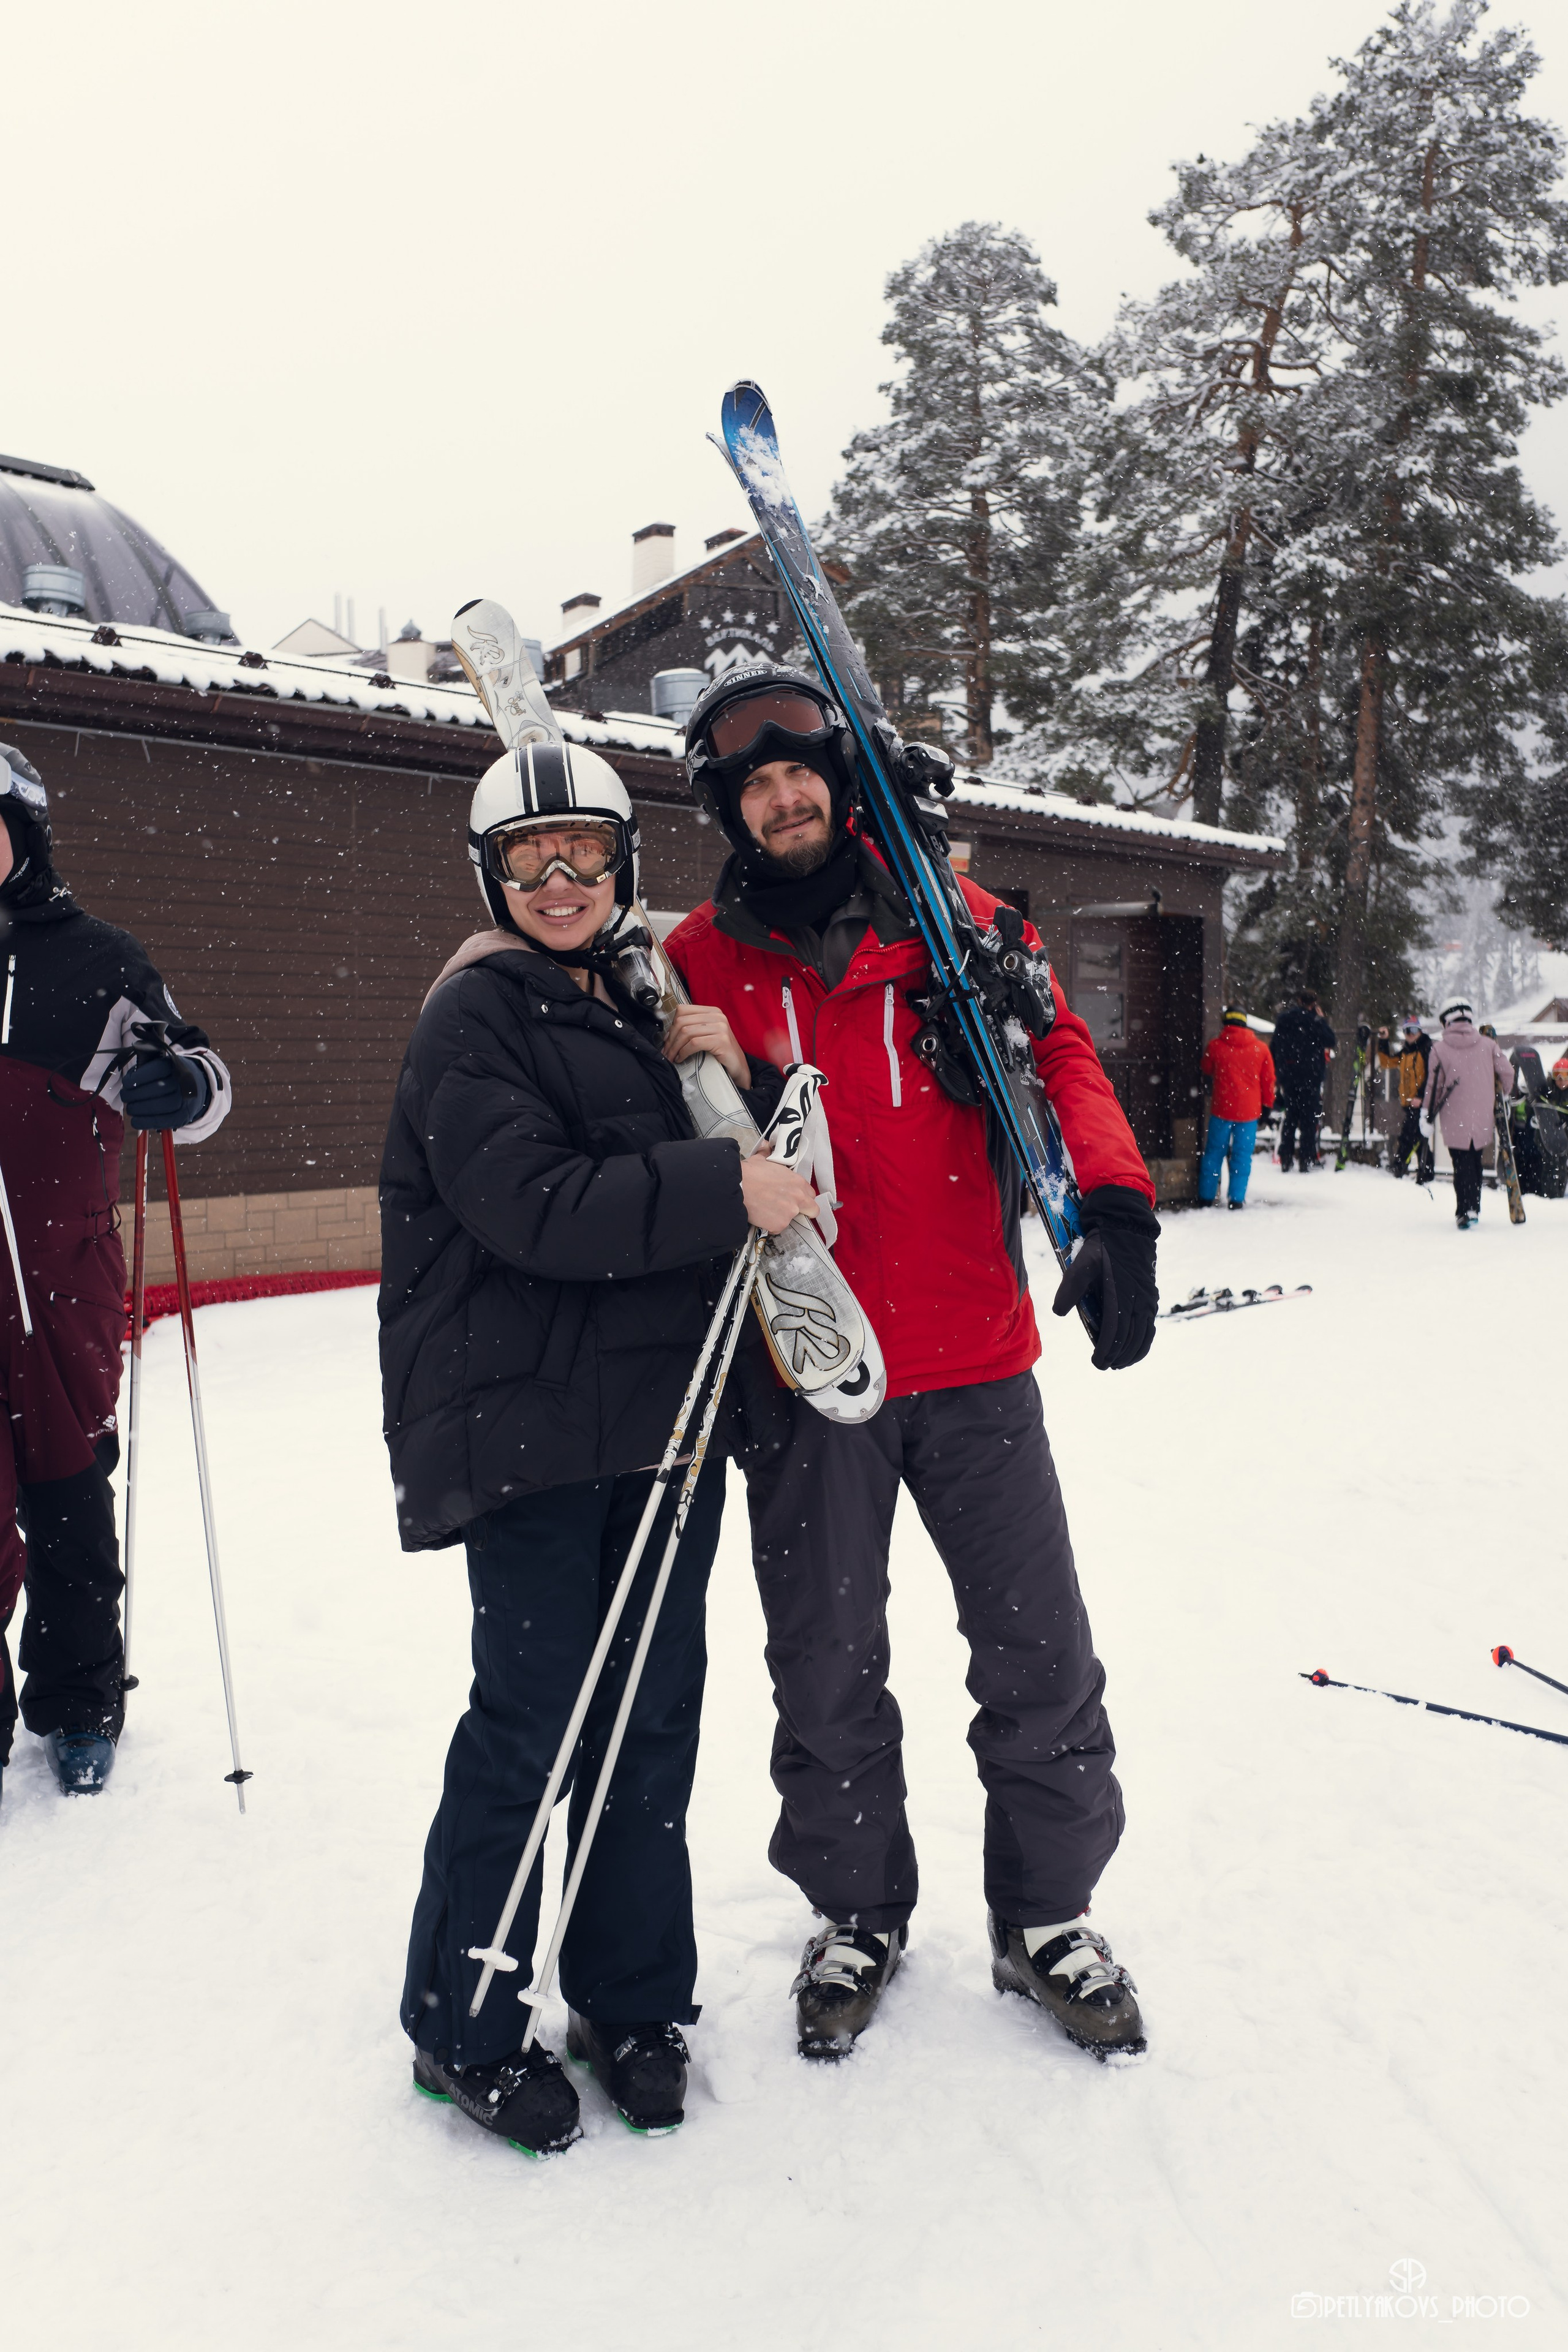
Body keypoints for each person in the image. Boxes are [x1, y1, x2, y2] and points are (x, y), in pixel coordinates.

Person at [665, 665, 1156, 2067]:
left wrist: (1112, 1208)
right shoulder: (701, 962)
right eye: (752, 783)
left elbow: (1059, 1054)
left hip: (976, 1359)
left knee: (1039, 1649)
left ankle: (1045, 1911)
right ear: (729, 806)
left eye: (799, 768)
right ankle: (856, 1907)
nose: (782, 795)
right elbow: (663, 1113)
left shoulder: (962, 926)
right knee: (822, 1658)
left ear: (839, 771)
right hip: (810, 1368)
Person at [380, 737, 812, 2154]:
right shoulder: (473, 1016)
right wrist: (718, 1180)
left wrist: (719, 1073)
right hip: (526, 1431)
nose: (558, 881)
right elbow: (536, 1205)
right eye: (527, 858)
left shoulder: (631, 1008)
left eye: (583, 855)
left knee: (647, 1722)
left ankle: (629, 1998)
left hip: (657, 1430)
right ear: (489, 875)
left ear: (622, 867)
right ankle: (466, 2017)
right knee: (534, 1721)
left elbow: (701, 1185)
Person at [0, 744, 230, 1806]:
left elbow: (198, 1066)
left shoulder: (92, 957)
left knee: (67, 1493)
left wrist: (180, 1085)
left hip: (60, 1277)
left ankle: (80, 1701)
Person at [1420, 993, 1515, 1230]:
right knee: (1475, 1162)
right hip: (1483, 1116)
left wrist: (1426, 1115)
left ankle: (1464, 1210)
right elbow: (1507, 1073)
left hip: (1454, 1117)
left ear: (1446, 1021)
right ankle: (1474, 1207)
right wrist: (1503, 1096)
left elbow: (1434, 1088)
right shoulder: (1489, 1045)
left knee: (1460, 1164)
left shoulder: (1439, 1049)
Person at [1196, 1008, 1274, 1208]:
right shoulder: (1261, 1049)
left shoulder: (1215, 1046)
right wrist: (1267, 1107)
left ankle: (1206, 1197)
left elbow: (1206, 1068)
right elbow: (1268, 1081)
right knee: (1242, 1156)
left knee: (1214, 1153)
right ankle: (1237, 1200)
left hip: (1222, 1109)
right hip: (1249, 1111)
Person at [1270, 989, 1336, 1170]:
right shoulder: (1315, 1021)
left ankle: (1286, 1157)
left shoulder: (1285, 1019)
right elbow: (1331, 1040)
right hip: (1311, 1076)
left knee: (1291, 1116)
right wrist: (1321, 1019)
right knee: (1309, 1119)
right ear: (1314, 1004)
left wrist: (1278, 1072)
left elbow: (1275, 1046)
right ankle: (1306, 1159)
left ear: (1298, 1000)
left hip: (1289, 1074)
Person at [1377, 1018, 1434, 1180]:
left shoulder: (1426, 1049)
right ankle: (1425, 1171)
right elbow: (1387, 1062)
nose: (1410, 1034)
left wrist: (1421, 1096)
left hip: (1421, 1104)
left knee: (1409, 1136)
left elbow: (1432, 1076)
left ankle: (1401, 1166)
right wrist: (1384, 1040)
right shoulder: (1406, 1052)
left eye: (1414, 1030)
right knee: (1417, 1138)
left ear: (1420, 1031)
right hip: (1408, 1103)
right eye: (1407, 1031)